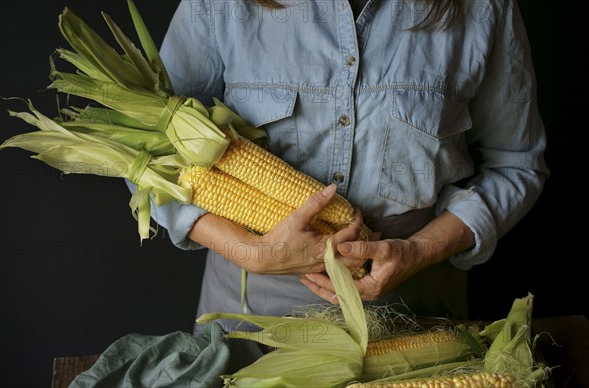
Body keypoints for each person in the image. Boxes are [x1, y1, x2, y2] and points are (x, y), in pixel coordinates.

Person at [132, 0, 548, 329]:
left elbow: (517, 165)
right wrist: (252, 252)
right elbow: (150, 154)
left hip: (414, 316)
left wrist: (418, 252)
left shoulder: (482, 8)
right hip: (250, 318)